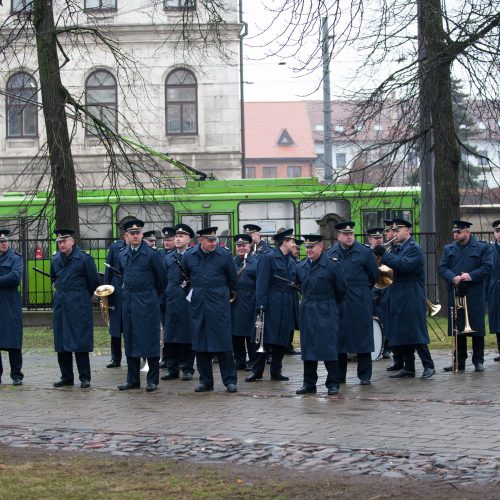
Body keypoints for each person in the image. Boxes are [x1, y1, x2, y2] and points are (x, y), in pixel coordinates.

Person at [374, 218, 435, 379]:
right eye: (393, 231)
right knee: (402, 330)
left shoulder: (413, 248)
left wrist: (384, 255)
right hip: (398, 292)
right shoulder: (397, 248)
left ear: (408, 231)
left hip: (411, 292)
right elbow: (388, 269)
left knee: (415, 330)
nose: (395, 233)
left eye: (398, 230)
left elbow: (404, 266)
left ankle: (428, 365)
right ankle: (409, 367)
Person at [181, 227, 238, 393]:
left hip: (218, 303)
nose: (213, 243)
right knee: (200, 344)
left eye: (214, 240)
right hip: (198, 304)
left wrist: (221, 294)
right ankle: (206, 381)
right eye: (209, 240)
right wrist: (194, 296)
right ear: (200, 240)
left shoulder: (225, 255)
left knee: (223, 343)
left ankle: (230, 381)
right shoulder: (189, 256)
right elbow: (183, 280)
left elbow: (232, 280)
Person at [327, 222, 379, 385]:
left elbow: (374, 276)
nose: (349, 237)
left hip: (360, 300)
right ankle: (339, 375)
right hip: (339, 301)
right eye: (345, 234)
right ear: (338, 236)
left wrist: (361, 291)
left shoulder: (364, 252)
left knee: (363, 337)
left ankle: (364, 375)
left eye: (351, 234)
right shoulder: (331, 253)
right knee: (339, 338)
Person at [118, 219, 166, 392]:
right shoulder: (122, 254)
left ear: (142, 234)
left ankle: (152, 380)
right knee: (130, 340)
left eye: (138, 232)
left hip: (147, 301)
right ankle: (132, 379)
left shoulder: (152, 254)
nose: (136, 235)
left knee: (150, 340)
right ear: (127, 236)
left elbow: (162, 279)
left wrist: (152, 296)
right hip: (129, 301)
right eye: (132, 233)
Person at [295, 235, 347, 395]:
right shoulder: (301, 266)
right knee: (308, 347)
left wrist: (329, 305)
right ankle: (309, 383)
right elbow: (299, 285)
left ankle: (333, 383)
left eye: (312, 247)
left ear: (321, 247)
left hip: (326, 309)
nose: (308, 250)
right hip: (308, 310)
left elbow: (341, 289)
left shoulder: (331, 265)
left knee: (328, 346)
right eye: (307, 247)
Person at [438, 220, 493, 372]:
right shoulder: (449, 248)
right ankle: (458, 361)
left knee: (477, 328)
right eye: (454, 232)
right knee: (457, 327)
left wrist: (471, 276)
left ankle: (478, 360)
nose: (456, 234)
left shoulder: (482, 247)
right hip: (456, 292)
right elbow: (442, 268)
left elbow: (488, 267)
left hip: (474, 293)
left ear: (467, 232)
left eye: (459, 232)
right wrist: (453, 278)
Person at [51, 229, 100, 389]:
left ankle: (85, 377)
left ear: (72, 241)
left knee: (80, 341)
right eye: (59, 242)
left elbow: (93, 281)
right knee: (62, 341)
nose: (62, 244)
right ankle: (66, 376)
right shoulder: (56, 259)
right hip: (61, 304)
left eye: (64, 241)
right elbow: (54, 278)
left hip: (79, 304)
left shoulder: (84, 259)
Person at [246, 228, 296, 382]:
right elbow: (261, 283)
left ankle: (276, 370)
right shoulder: (268, 257)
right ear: (284, 242)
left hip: (286, 301)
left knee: (282, 338)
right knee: (264, 338)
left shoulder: (291, 259)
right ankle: (257, 370)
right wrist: (260, 306)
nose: (295, 244)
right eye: (292, 241)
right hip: (271, 303)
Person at [161, 223, 196, 381]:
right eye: (176, 236)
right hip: (171, 301)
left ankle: (187, 368)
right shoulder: (168, 257)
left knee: (187, 336)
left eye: (181, 236)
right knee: (170, 336)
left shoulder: (193, 255)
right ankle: (172, 367)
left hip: (188, 302)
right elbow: (162, 281)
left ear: (189, 239)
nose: (177, 239)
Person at [0, 229, 24, 386]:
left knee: (14, 341)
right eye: (0, 241)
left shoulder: (16, 258)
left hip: (10, 303)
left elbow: (15, 277)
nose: (3, 243)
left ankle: (16, 374)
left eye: (5, 240)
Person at [231, 233, 258, 370]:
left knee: (250, 333)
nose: (241, 248)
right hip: (234, 302)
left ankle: (253, 360)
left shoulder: (256, 262)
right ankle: (239, 360)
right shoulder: (231, 261)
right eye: (238, 246)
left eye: (244, 245)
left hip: (250, 301)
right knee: (235, 333)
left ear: (250, 246)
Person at [103, 233, 127, 368]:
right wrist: (106, 291)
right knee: (115, 327)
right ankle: (115, 357)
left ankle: (135, 355)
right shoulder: (115, 247)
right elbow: (108, 270)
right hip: (116, 290)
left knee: (132, 326)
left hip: (131, 288)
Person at [367, 226, 391, 359]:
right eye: (375, 238)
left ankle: (387, 347)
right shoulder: (366, 253)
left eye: (380, 237)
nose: (378, 240)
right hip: (371, 291)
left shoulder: (386, 252)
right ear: (370, 239)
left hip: (385, 289)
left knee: (385, 319)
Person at [158, 226, 176, 368]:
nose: (167, 242)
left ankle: (181, 360)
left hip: (178, 298)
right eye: (165, 240)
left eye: (169, 240)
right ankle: (167, 359)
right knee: (166, 332)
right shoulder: (159, 255)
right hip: (164, 297)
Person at [286, 237, 302, 355]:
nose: (298, 251)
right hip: (288, 294)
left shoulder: (294, 260)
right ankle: (287, 345)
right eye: (296, 248)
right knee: (289, 320)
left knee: (292, 321)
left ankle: (289, 344)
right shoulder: (289, 260)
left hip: (293, 294)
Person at [487, 219, 500, 362]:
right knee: (496, 321)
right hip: (494, 288)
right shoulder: (490, 249)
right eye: (497, 231)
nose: (499, 234)